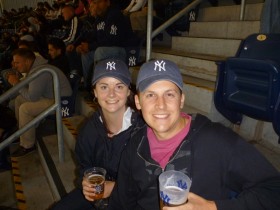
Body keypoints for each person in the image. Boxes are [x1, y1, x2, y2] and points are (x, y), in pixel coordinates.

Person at [108, 59, 280, 210]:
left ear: (181, 99)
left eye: (169, 94)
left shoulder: (217, 141)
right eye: (150, 95)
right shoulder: (135, 146)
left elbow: (273, 190)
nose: (161, 105)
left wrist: (213, 207)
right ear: (138, 102)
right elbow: (121, 202)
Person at [51, 58, 143, 210]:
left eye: (119, 86)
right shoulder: (88, 130)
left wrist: (115, 188)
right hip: (97, 196)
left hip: (130, 200)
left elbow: (148, 183)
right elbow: (84, 167)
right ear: (95, 92)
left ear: (128, 91)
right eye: (104, 87)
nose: (111, 94)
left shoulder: (142, 130)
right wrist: (85, 182)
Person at [9, 48, 72, 157]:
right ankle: (24, 132)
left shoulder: (39, 71)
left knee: (25, 108)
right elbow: (30, 93)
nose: (15, 65)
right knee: (19, 99)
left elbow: (32, 97)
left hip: (61, 101)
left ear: (28, 61)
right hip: (50, 97)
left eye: (17, 62)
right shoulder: (37, 68)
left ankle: (27, 145)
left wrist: (16, 83)